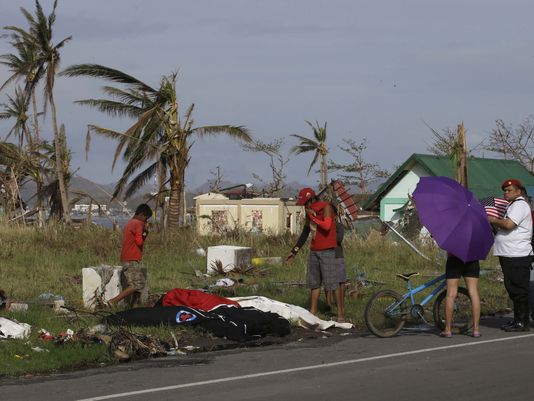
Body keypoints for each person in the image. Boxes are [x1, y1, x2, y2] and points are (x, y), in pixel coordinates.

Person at [286, 188, 344, 322]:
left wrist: (313, 217)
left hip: (328, 251)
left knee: (332, 283)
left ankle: (340, 314)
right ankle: (313, 312)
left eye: (306, 203)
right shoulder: (309, 212)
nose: (305, 206)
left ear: (312, 199)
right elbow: (305, 233)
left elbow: (327, 226)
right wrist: (294, 251)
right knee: (314, 283)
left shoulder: (326, 208)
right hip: (314, 251)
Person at [489, 178, 532, 332]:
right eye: (505, 191)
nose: (506, 193)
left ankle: (523, 322)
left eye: (509, 190)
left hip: (517, 254)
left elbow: (509, 224)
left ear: (518, 191)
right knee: (512, 287)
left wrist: (493, 219)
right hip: (509, 253)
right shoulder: (512, 205)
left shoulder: (520, 204)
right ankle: (517, 319)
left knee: (519, 288)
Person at [108, 203, 153, 307]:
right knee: (137, 283)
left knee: (137, 282)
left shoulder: (130, 222)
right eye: (146, 218)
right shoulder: (138, 223)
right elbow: (139, 242)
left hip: (127, 257)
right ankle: (113, 301)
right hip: (132, 258)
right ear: (142, 214)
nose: (146, 220)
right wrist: (145, 231)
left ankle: (135, 305)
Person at [440, 255, 481, 338]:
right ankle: (476, 330)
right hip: (472, 260)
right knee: (473, 293)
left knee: (451, 294)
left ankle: (448, 330)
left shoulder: (452, 240)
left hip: (454, 260)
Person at [324, 213, 347, 320]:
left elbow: (338, 239)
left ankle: (341, 308)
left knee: (341, 282)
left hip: (337, 256)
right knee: (329, 282)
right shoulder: (323, 226)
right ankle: (328, 304)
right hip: (326, 255)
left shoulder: (339, 226)